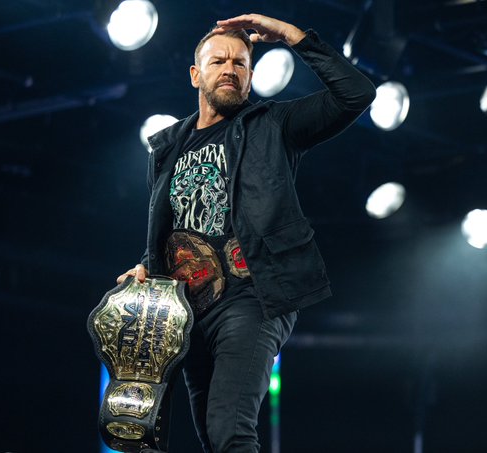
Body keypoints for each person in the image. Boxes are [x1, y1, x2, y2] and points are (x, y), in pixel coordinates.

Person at [117, 13, 376, 453]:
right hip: (187, 311)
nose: (230, 69)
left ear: (251, 77)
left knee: (230, 431)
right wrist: (146, 267)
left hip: (254, 298)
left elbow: (357, 94)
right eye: (218, 61)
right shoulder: (167, 147)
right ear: (196, 75)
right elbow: (171, 227)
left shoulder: (274, 124)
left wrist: (293, 36)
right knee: (212, 437)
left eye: (240, 63)